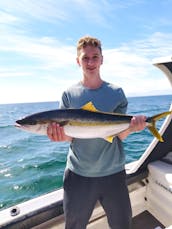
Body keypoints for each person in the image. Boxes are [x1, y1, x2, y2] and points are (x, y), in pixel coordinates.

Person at [47, 36, 146, 229]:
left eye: (95, 57)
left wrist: (132, 128)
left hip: (114, 173)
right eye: (85, 58)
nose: (90, 62)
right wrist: (57, 136)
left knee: (122, 225)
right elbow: (70, 136)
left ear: (102, 59)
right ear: (78, 61)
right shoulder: (68, 94)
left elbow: (119, 135)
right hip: (78, 175)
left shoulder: (116, 92)